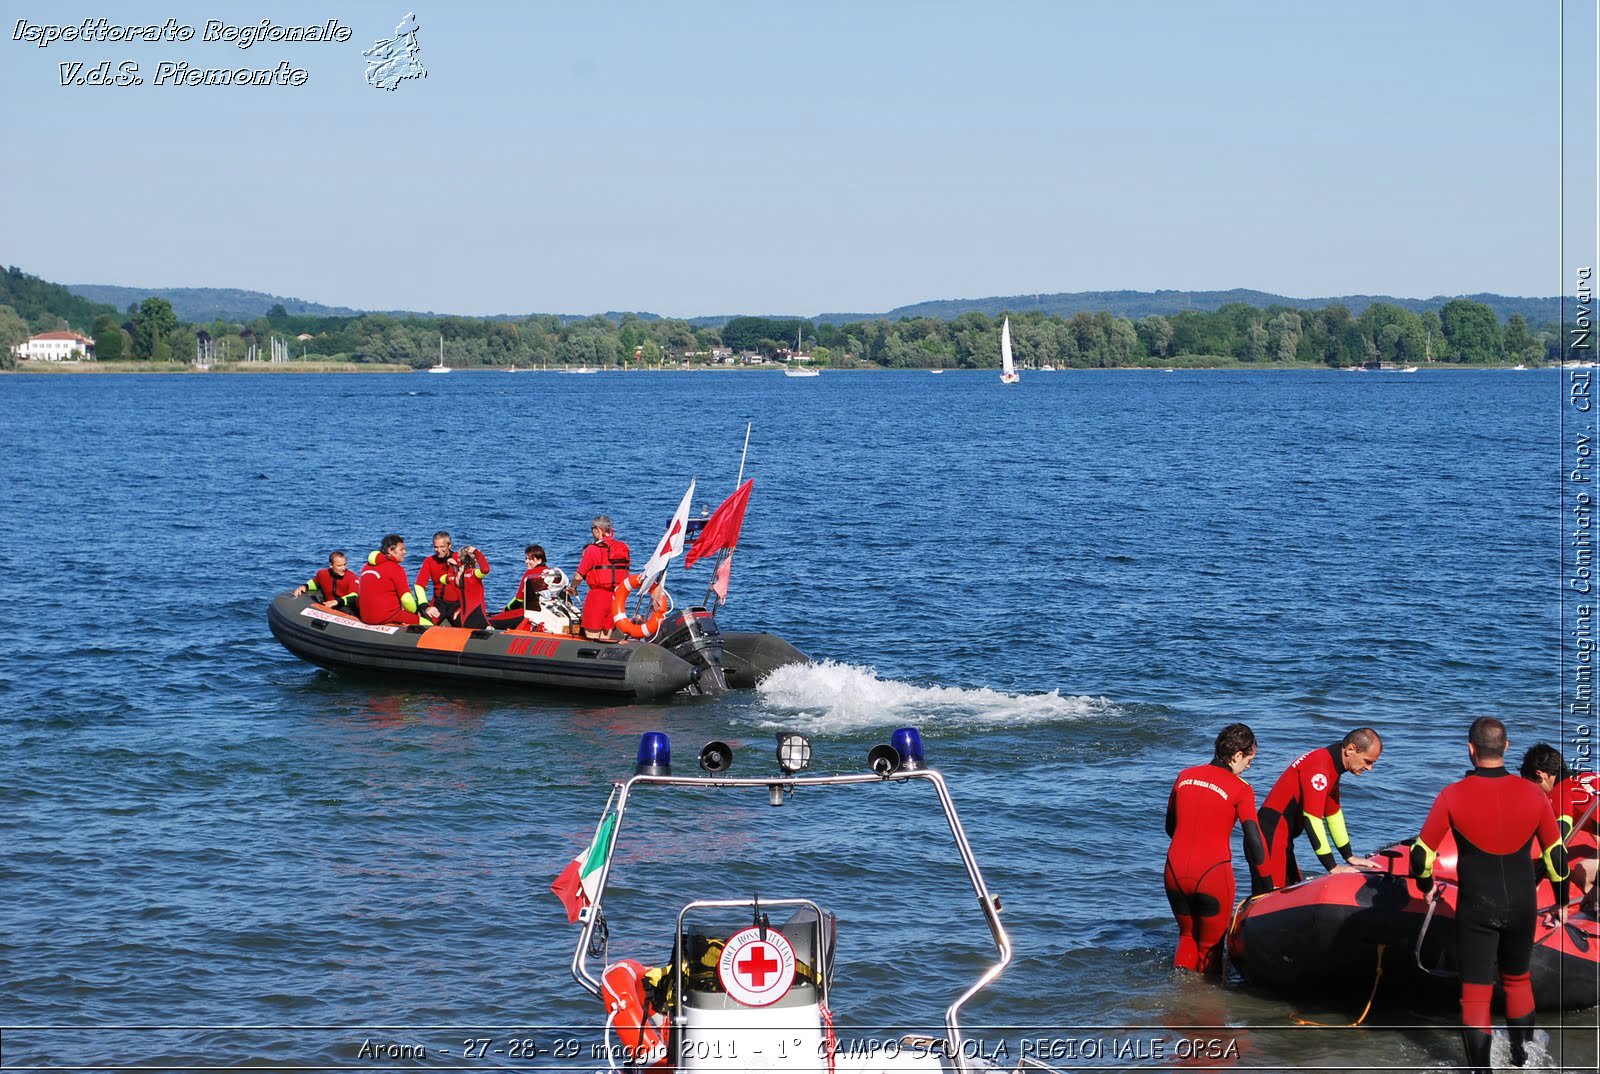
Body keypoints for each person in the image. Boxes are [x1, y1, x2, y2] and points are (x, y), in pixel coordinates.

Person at [1412, 718, 1569, 1073]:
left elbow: (1421, 855)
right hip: (1522, 904)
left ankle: (1481, 1070)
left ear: (1471, 749)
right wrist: (1561, 902)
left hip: (1477, 906)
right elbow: (1557, 857)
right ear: (1507, 747)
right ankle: (1522, 1061)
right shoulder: (1534, 794)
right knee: (1517, 980)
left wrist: (1426, 887)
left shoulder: (1451, 795)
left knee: (1477, 992)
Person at [1163, 723, 1271, 974]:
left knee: (1187, 935)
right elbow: (1254, 839)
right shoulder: (1241, 789)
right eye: (1249, 760)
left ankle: (1179, 1000)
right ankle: (1208, 1006)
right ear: (1237, 756)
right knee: (1210, 947)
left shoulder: (1184, 775)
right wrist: (1266, 884)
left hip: (1174, 871)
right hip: (1212, 873)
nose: (1249, 766)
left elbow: (1170, 827)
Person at [1258, 728, 1384, 888]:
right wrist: (1332, 866)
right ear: (1350, 750)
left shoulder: (1332, 765)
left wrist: (1349, 856)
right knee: (1272, 897)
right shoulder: (1320, 768)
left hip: (1282, 837)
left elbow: (1333, 814)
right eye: (1368, 761)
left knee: (1292, 889)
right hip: (1270, 835)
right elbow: (1312, 820)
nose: (1369, 768)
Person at [1519, 742, 1598, 901]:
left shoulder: (1559, 794)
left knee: (1582, 872)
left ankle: (1591, 906)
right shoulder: (1590, 776)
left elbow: (1556, 844)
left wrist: (1533, 881)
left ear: (1541, 775)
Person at [358, 533, 441, 626]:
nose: (405, 552)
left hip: (365, 617)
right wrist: (416, 611)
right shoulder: (396, 569)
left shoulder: (366, 566)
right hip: (387, 616)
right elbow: (406, 599)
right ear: (391, 550)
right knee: (428, 623)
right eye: (401, 549)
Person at [572, 515, 631, 641]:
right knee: (605, 638)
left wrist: (572, 588)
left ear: (597, 530)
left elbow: (578, 576)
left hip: (597, 597)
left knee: (592, 639)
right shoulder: (622, 548)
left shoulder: (592, 549)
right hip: (617, 598)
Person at [416, 531, 463, 625]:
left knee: (462, 623)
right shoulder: (429, 561)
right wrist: (426, 607)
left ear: (449, 546)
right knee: (425, 623)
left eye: (442, 547)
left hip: (458, 604)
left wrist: (465, 607)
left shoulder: (460, 559)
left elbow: (472, 586)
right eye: (436, 547)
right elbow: (419, 586)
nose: (438, 550)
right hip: (439, 604)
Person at [293, 550, 359, 613]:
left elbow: (354, 595)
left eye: (344, 564)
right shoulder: (322, 574)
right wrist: (305, 586)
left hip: (345, 607)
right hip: (328, 606)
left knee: (345, 609)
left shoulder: (352, 577)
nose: (343, 568)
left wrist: (337, 602)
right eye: (339, 566)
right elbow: (315, 582)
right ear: (331, 565)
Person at [445, 545, 491, 628]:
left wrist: (454, 567)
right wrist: (477, 552)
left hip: (464, 620)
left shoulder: (452, 577)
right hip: (478, 619)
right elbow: (485, 569)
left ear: (459, 559)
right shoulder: (474, 574)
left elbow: (442, 579)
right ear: (475, 560)